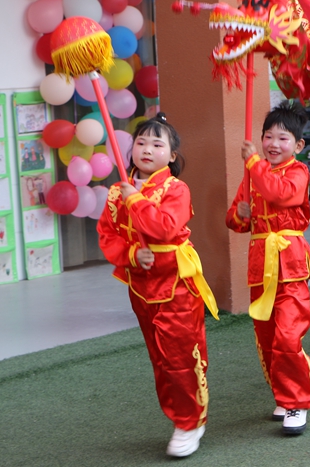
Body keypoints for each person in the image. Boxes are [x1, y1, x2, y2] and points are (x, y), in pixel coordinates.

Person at [97, 113, 219, 458]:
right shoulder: (116, 192)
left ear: (172, 156)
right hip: (141, 286)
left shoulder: (175, 189)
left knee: (180, 356)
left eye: (156, 144)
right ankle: (179, 417)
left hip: (177, 286)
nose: (147, 149)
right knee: (160, 359)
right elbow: (108, 234)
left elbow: (164, 229)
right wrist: (132, 255)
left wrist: (135, 199)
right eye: (140, 142)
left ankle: (190, 421)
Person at [225, 101, 310, 435]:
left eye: (282, 138)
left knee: (288, 336)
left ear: (298, 145)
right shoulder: (254, 172)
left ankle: (297, 402)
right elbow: (233, 219)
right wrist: (242, 215)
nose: (273, 144)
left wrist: (252, 162)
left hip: (290, 265)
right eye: (268, 137)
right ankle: (283, 394)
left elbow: (282, 194)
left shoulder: (298, 172)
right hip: (260, 267)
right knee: (266, 338)